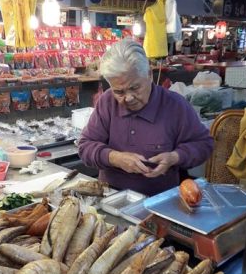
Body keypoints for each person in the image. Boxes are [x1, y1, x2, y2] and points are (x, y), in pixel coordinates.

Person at [78, 39, 214, 196]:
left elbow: (204, 144)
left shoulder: (175, 105)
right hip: (110, 197)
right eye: (119, 92)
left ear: (149, 75)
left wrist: (175, 157)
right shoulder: (107, 102)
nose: (128, 98)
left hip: (160, 202)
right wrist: (114, 158)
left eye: (135, 88)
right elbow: (85, 146)